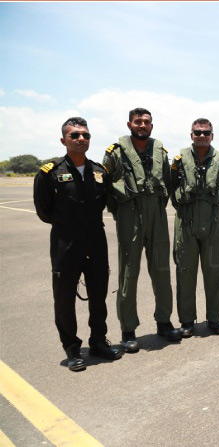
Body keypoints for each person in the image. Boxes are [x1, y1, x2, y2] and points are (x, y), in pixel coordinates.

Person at [34, 117, 122, 371]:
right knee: (63, 299)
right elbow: (44, 211)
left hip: (95, 240)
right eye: (75, 135)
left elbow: (102, 203)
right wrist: (68, 226)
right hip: (66, 243)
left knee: (99, 295)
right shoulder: (50, 172)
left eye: (85, 135)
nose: (81, 139)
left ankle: (98, 342)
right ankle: (72, 348)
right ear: (64, 140)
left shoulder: (99, 172)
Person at [103, 108, 181, 352]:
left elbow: (168, 182)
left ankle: (164, 322)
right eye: (138, 122)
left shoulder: (160, 150)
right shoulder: (115, 153)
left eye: (147, 122)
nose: (143, 125)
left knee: (161, 271)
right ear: (130, 124)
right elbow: (106, 186)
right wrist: (122, 213)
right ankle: (128, 330)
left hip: (156, 213)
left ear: (152, 125)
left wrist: (156, 207)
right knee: (128, 273)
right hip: (130, 215)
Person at [170, 118, 219, 337]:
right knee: (185, 272)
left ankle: (214, 320)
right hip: (186, 221)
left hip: (213, 221)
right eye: (198, 132)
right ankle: (187, 321)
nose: (202, 136)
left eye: (206, 133)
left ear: (212, 136)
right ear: (191, 135)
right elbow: (171, 187)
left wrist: (210, 207)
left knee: (215, 272)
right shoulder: (178, 161)